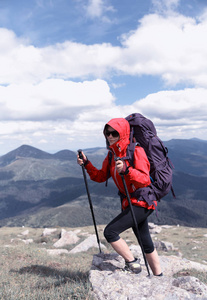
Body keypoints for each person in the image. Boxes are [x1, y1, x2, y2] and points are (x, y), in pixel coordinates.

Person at [77, 117, 162, 276]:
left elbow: (144, 179)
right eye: (107, 133)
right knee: (145, 241)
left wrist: (127, 170)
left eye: (114, 133)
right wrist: (87, 164)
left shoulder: (137, 151)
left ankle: (133, 264)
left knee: (110, 232)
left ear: (123, 133)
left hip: (143, 201)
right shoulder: (112, 155)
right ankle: (159, 276)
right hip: (130, 202)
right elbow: (100, 176)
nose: (109, 136)